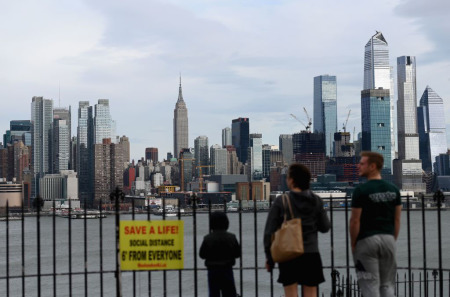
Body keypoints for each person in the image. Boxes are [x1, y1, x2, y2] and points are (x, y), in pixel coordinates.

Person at [264, 163, 330, 297]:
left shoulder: (282, 201)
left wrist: (270, 258)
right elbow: (325, 227)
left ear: (292, 181)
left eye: (288, 177)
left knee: (291, 294)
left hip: (289, 254)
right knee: (311, 293)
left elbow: (269, 232)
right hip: (311, 253)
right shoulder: (316, 200)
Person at [350, 151, 401, 297]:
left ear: (372, 166)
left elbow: (355, 221)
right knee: (387, 285)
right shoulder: (394, 190)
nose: (358, 166)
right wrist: (391, 239)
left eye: (362, 163)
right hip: (388, 240)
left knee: (369, 286)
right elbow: (397, 220)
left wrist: (354, 243)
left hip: (366, 241)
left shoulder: (361, 191)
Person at [199, 211, 240, 297]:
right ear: (226, 222)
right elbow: (237, 253)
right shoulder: (231, 237)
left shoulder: (208, 238)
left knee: (214, 293)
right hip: (227, 269)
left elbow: (202, 255)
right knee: (229, 292)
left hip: (212, 270)